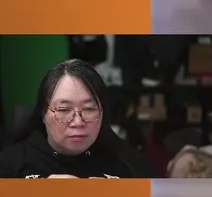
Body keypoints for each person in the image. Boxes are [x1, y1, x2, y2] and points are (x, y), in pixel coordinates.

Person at [0, 59, 155, 178]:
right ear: (43, 114)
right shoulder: (9, 164)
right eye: (64, 110)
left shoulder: (133, 165)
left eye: (89, 109)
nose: (78, 122)